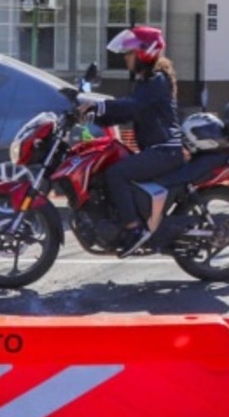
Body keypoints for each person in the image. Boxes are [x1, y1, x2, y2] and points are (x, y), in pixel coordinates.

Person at [78, 26, 184, 255]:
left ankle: (133, 229)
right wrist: (96, 114)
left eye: (130, 53)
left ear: (144, 53)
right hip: (157, 150)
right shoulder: (145, 81)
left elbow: (132, 106)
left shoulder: (157, 80)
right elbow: (126, 113)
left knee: (116, 173)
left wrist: (99, 105)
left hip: (165, 151)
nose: (126, 58)